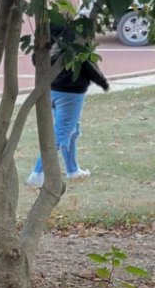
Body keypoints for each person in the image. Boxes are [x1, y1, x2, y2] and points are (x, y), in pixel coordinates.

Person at [27, 23, 110, 187]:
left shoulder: (48, 41)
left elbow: (36, 61)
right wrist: (103, 83)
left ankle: (73, 170)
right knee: (61, 133)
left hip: (53, 91)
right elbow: (88, 66)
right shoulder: (75, 43)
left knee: (71, 131)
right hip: (71, 94)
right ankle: (37, 173)